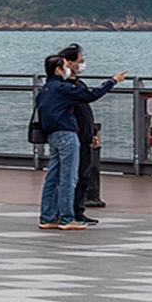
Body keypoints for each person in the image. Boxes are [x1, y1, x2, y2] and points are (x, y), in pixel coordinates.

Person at [37, 56, 126, 231]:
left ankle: (47, 217)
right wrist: (112, 81)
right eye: (65, 66)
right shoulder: (64, 88)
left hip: (52, 135)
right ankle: (67, 218)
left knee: (52, 178)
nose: (68, 69)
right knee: (68, 178)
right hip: (67, 135)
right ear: (58, 70)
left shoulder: (45, 89)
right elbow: (91, 95)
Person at [58, 44, 100, 225]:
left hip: (84, 136)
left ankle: (78, 210)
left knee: (84, 175)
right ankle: (67, 212)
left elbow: (85, 111)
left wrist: (92, 133)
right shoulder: (63, 86)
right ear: (68, 63)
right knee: (70, 177)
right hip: (73, 137)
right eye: (79, 61)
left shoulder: (79, 84)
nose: (82, 65)